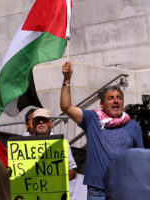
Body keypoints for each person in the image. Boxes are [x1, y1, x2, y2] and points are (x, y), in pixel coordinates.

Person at [60, 61, 143, 199]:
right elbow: (66, 107)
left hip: (125, 190)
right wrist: (67, 79)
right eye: (110, 98)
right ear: (102, 104)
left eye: (119, 98)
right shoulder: (92, 119)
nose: (116, 101)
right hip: (97, 192)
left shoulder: (134, 126)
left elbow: (139, 161)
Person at [31, 108, 77, 180]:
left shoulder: (61, 143)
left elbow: (72, 170)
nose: (41, 122)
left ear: (51, 123)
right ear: (33, 124)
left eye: (44, 119)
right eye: (37, 120)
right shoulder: (22, 144)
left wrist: (56, 181)